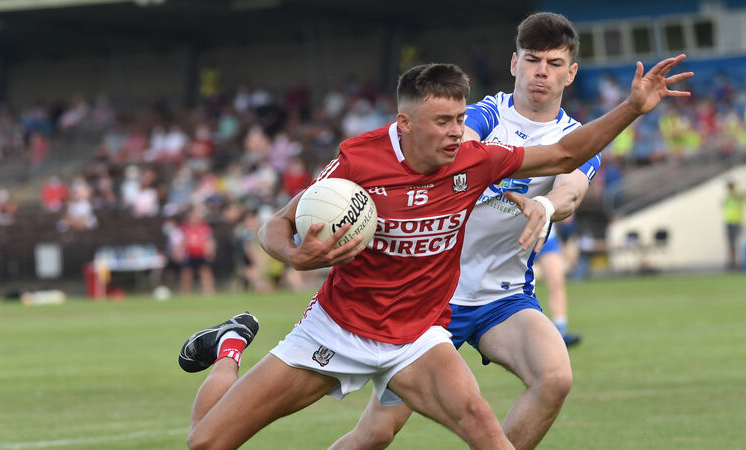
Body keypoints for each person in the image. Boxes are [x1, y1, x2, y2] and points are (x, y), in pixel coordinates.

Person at [177, 56, 691, 449]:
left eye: (459, 118)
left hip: (417, 337)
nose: (455, 132)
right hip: (337, 328)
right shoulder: (360, 159)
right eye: (441, 121)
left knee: (489, 436)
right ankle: (230, 346)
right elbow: (277, 223)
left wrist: (631, 108)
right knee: (206, 442)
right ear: (404, 124)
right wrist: (292, 256)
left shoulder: (474, 160)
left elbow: (564, 153)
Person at [333, 12, 597, 449]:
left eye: (553, 64)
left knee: (554, 377)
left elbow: (572, 189)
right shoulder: (484, 116)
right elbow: (454, 148)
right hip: (435, 299)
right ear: (515, 64)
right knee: (375, 434)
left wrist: (545, 205)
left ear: (570, 73)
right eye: (532, 60)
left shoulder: (574, 136)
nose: (541, 72)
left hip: (504, 298)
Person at [537, 227, 581, 347]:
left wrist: (563, 247)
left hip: (546, 237)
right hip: (518, 237)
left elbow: (552, 215)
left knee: (557, 282)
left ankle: (560, 332)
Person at [723, 181, 744, 270]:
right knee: (730, 243)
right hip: (729, 221)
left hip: (737, 222)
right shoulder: (728, 196)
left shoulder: (737, 194)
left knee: (737, 242)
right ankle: (732, 262)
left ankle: (738, 262)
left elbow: (742, 196)